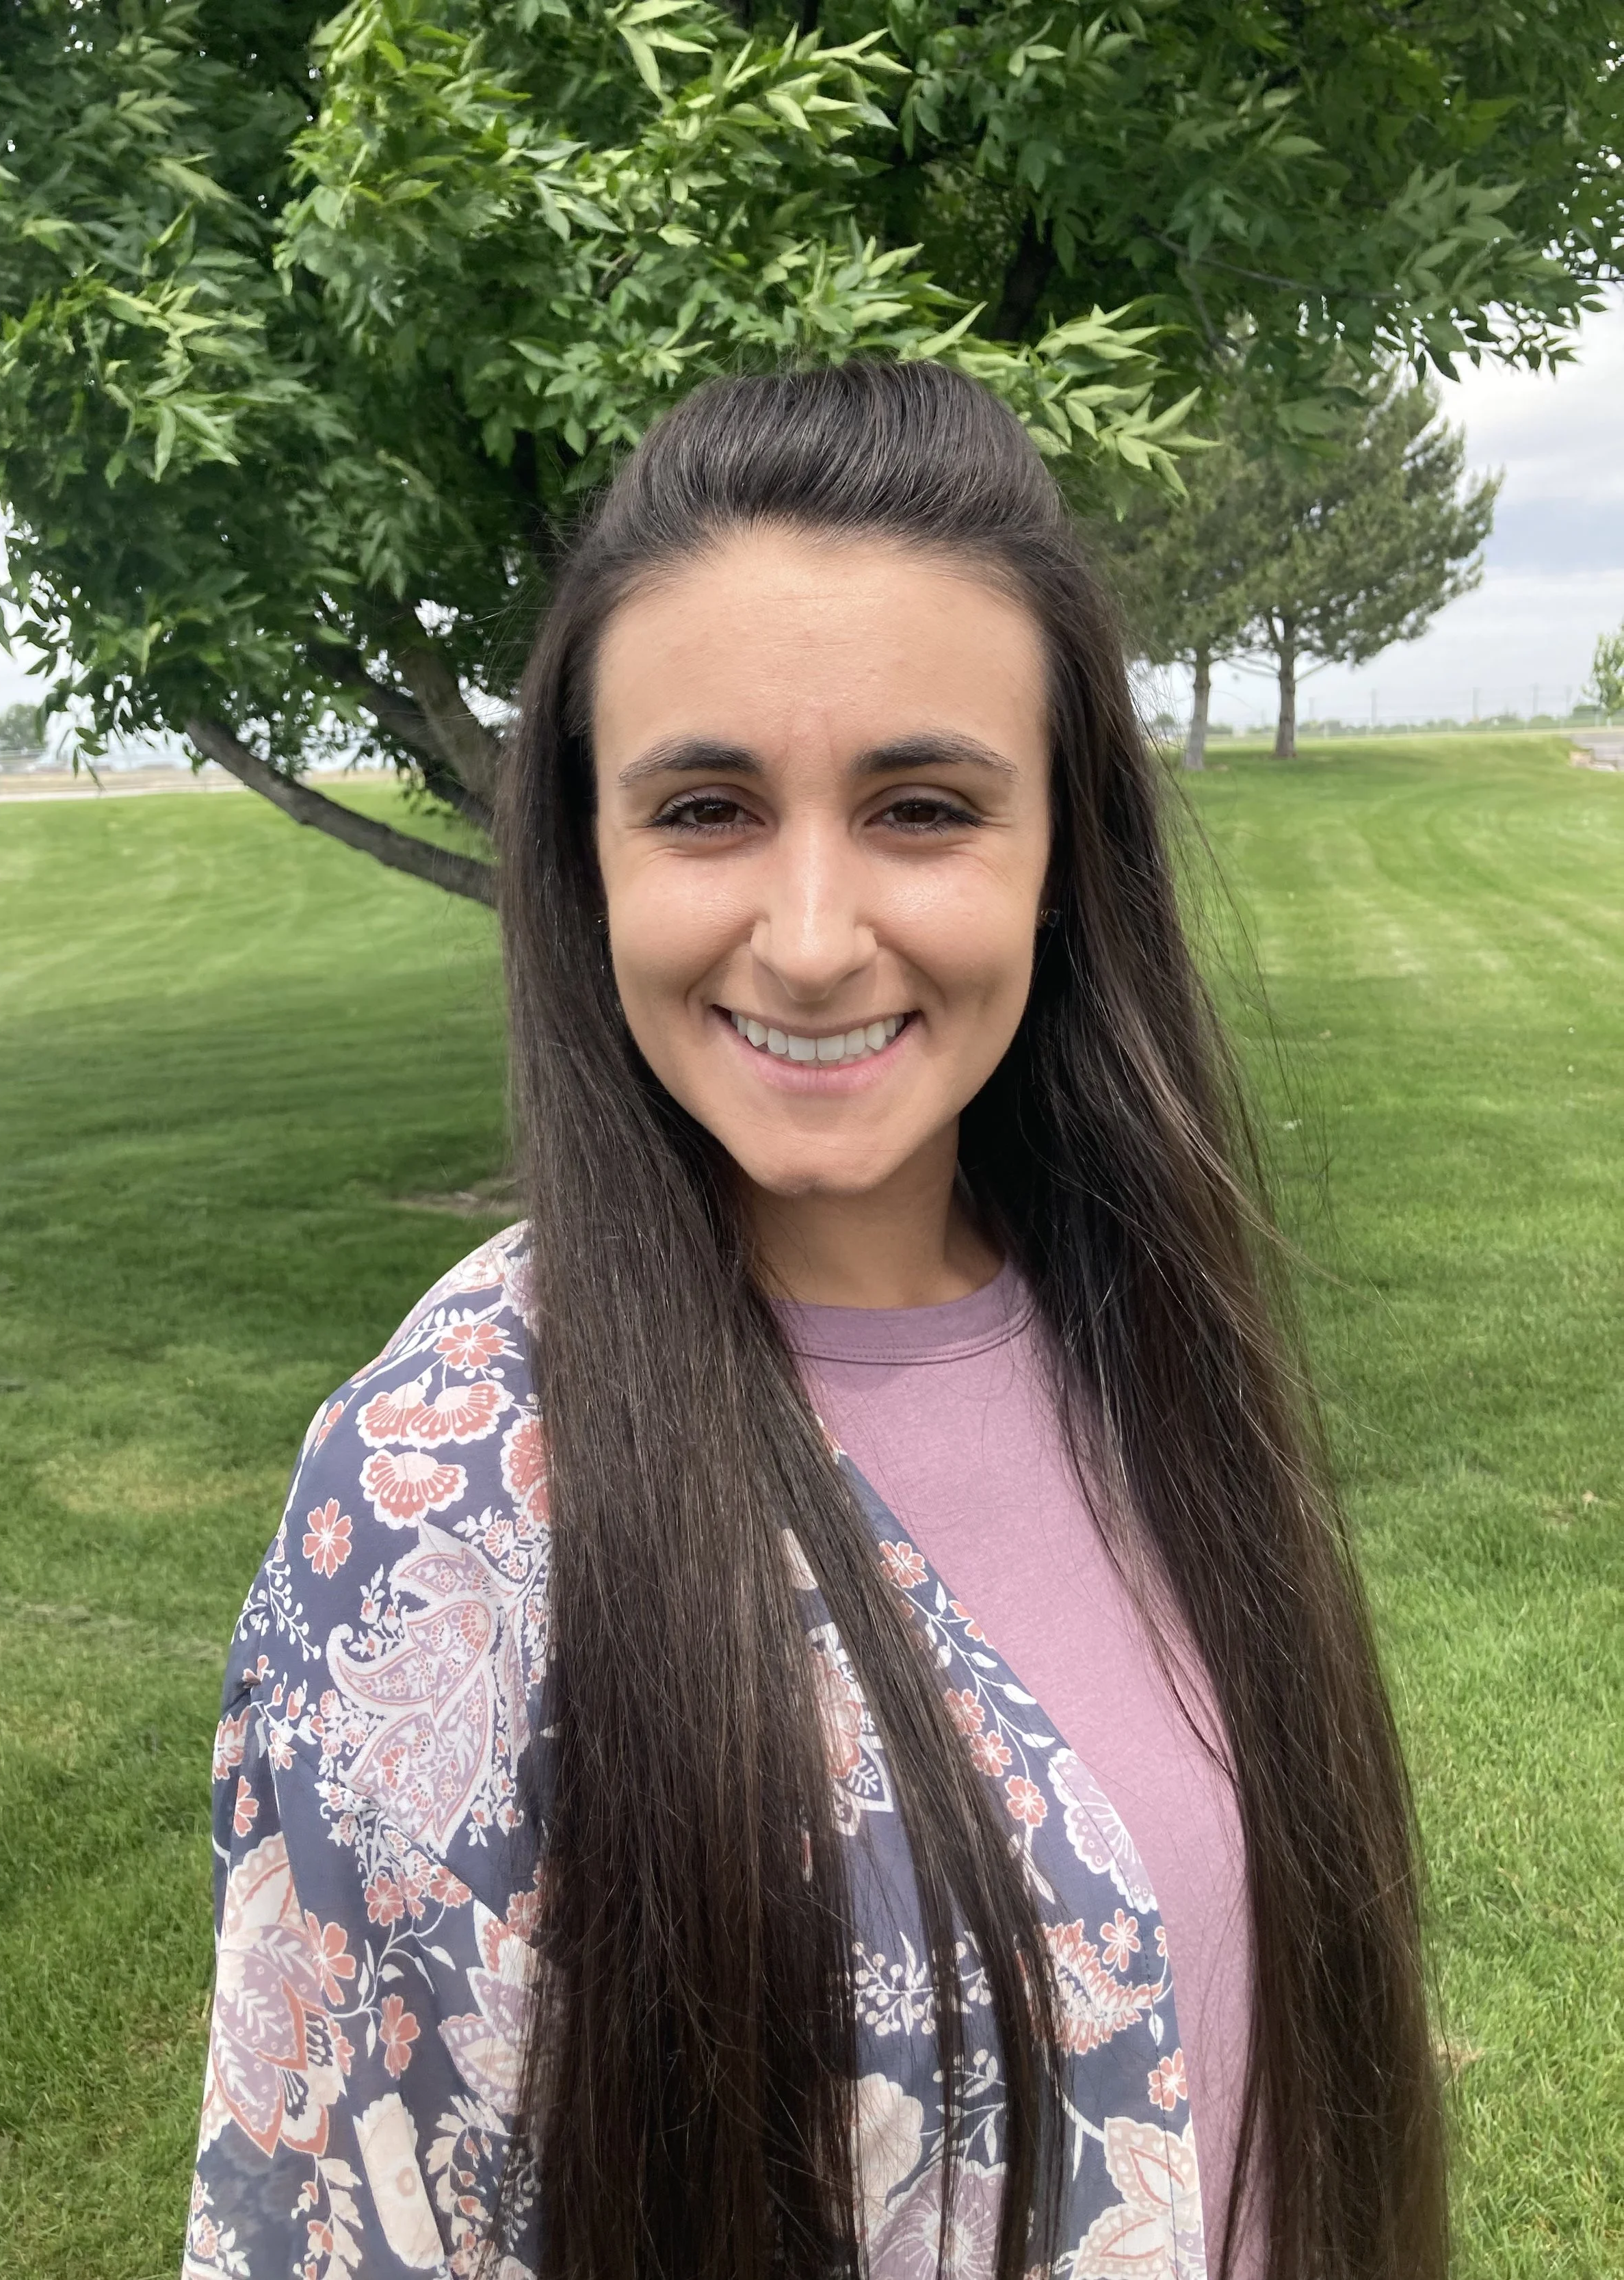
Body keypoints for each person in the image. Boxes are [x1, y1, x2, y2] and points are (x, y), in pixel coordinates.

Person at [185, 361, 1446, 2280]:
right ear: (585, 862)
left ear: (1061, 860)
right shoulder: (441, 1502)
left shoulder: (1148, 1339)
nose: (806, 931)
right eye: (704, 805)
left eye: (920, 805)